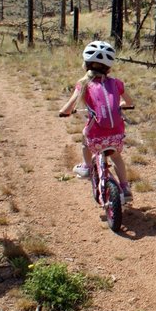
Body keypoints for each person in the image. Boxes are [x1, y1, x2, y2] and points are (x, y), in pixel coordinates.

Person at [59, 40, 134, 202]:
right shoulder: (116, 83)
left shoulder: (84, 83)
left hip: (96, 138)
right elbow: (130, 103)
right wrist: (121, 105)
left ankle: (86, 166)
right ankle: (125, 187)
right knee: (116, 158)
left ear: (86, 64)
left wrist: (64, 112)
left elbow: (68, 106)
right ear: (109, 67)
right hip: (117, 135)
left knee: (85, 138)